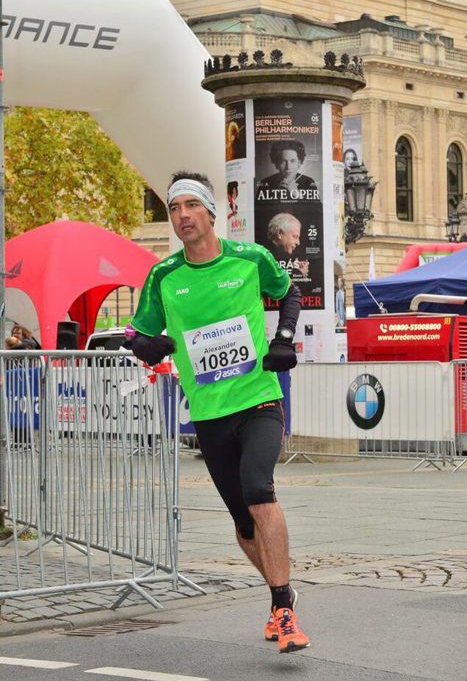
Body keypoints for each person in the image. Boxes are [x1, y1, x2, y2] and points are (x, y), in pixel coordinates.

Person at [129, 171, 310, 654]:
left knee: (259, 488)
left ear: (211, 212)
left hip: (259, 399)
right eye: (174, 208)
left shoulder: (249, 258)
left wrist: (284, 340)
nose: (183, 215)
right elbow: (137, 334)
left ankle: (283, 610)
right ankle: (283, 594)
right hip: (208, 412)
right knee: (243, 522)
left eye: (192, 205)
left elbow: (288, 291)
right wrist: (148, 346)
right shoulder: (164, 276)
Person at [267, 212, 309, 279]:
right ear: (279, 234)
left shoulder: (281, 254)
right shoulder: (266, 257)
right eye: (295, 236)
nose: (298, 243)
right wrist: (300, 274)